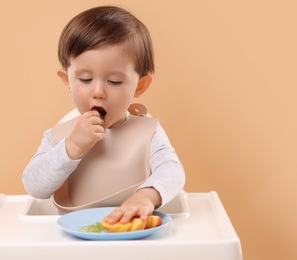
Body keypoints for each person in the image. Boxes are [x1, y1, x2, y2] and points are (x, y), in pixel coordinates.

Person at [22, 5, 185, 225]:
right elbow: (34, 186)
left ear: (140, 85)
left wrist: (146, 196)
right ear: (67, 81)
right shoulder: (60, 136)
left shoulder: (147, 131)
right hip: (72, 242)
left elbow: (173, 171)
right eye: (85, 79)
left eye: (114, 81)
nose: (98, 92)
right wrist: (71, 148)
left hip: (134, 237)